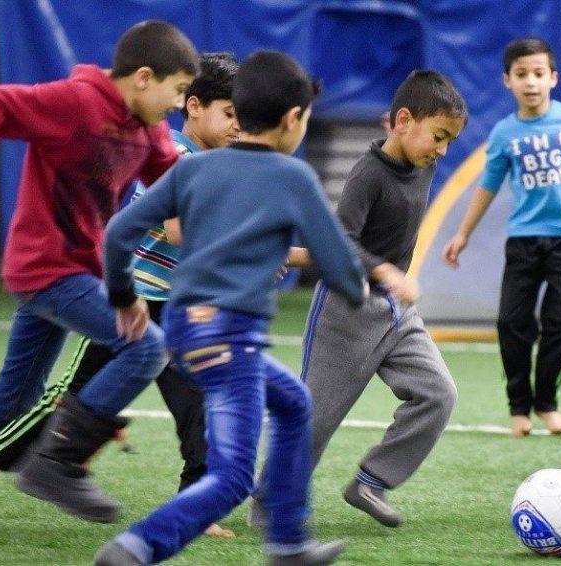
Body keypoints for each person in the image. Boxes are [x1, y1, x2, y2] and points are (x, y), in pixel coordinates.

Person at [0, 20, 199, 537]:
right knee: (147, 347)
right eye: (176, 92)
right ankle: (58, 462)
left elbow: (173, 186)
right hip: (44, 267)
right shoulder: (73, 102)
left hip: (81, 271)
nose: (176, 107)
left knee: (16, 396)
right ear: (144, 77)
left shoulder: (146, 130)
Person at [94, 50, 366, 566]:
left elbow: (117, 233)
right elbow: (339, 267)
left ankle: (287, 543)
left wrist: (122, 296)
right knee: (234, 477)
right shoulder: (293, 178)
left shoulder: (194, 169)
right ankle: (135, 548)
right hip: (230, 335)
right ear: (293, 119)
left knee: (292, 403)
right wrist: (364, 283)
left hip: (182, 325)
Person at [0, 52, 241, 538]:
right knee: (68, 398)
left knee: (201, 403)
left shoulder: (212, 165)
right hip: (135, 301)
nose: (239, 127)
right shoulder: (174, 152)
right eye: (230, 115)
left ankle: (197, 505)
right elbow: (180, 233)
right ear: (192, 106)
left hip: (178, 308)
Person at [252, 70, 467, 529]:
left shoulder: (423, 164)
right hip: (345, 312)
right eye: (439, 137)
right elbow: (340, 241)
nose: (442, 150)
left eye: (449, 140)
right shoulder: (367, 174)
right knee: (313, 420)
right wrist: (384, 269)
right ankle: (270, 504)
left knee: (438, 394)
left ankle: (371, 481)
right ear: (403, 121)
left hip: (397, 313)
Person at [442, 38, 561, 437]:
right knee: (511, 322)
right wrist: (461, 234)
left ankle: (546, 402)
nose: (531, 82)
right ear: (507, 81)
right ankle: (518, 407)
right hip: (524, 242)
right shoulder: (504, 133)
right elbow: (487, 187)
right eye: (522, 74)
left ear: (553, 78)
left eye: (539, 74)